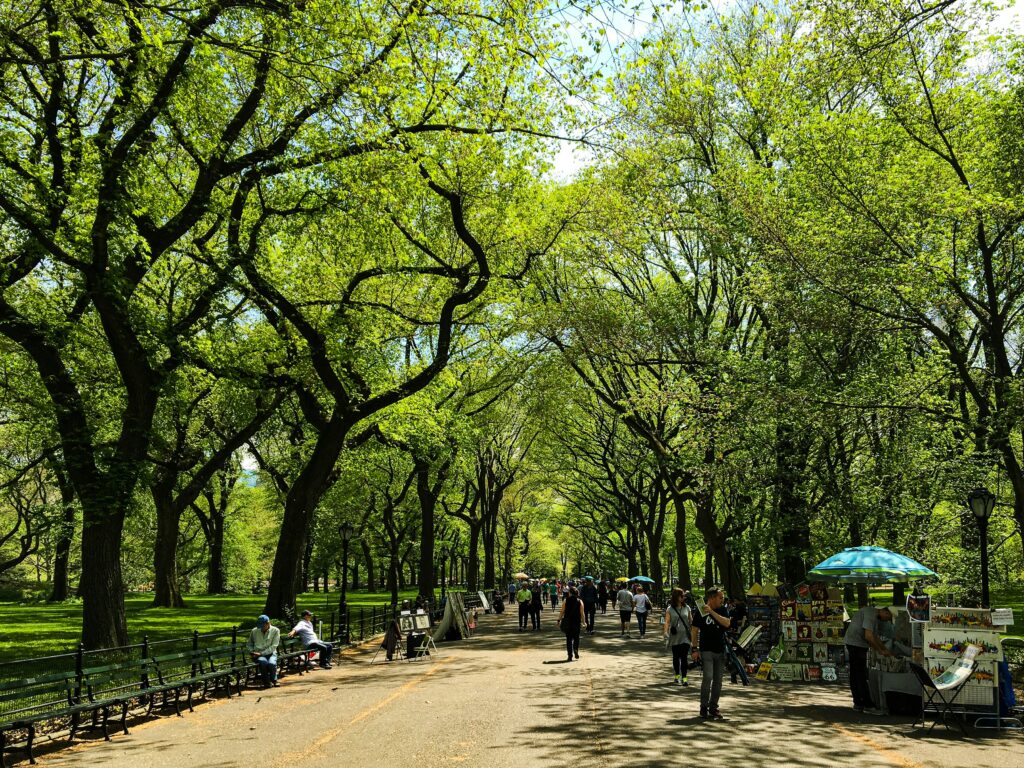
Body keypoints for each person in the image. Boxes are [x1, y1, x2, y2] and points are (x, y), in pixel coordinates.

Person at [844, 605, 895, 714]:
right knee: (860, 674)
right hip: (856, 644)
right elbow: (869, 636)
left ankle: (858, 703)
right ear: (885, 612)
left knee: (855, 673)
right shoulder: (871, 614)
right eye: (888, 617)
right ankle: (867, 704)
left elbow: (874, 636)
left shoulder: (873, 616)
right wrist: (880, 651)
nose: (887, 620)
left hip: (854, 642)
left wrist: (884, 649)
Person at [690, 587, 731, 719]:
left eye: (723, 597)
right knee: (708, 677)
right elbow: (694, 630)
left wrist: (712, 612)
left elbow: (727, 623)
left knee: (718, 681)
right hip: (706, 649)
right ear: (712, 598)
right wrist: (694, 649)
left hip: (720, 649)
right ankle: (703, 706)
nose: (722, 600)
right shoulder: (700, 610)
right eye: (720, 597)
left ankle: (713, 707)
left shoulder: (722, 609)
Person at [663, 587, 692, 686]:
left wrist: (694, 632)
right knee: (676, 657)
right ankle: (677, 675)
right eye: (681, 596)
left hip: (685, 636)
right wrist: (665, 632)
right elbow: (667, 621)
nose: (683, 597)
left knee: (684, 657)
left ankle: (684, 677)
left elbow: (690, 621)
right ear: (676, 597)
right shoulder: (670, 609)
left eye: (683, 596)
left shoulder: (687, 608)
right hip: (675, 636)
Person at [247, 614, 281, 688]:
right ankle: (266, 682)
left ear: (268, 623)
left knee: (272, 664)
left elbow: (274, 646)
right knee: (263, 662)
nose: (261, 628)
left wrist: (261, 653)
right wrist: (252, 651)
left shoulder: (275, 630)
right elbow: (249, 644)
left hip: (271, 653)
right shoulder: (254, 631)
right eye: (260, 626)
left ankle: (274, 680)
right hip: (258, 654)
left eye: (262, 626)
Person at [557, 585, 585, 661]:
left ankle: (570, 655)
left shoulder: (566, 600)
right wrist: (584, 622)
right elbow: (582, 613)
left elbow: (562, 611)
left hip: (568, 622)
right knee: (576, 637)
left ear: (570, 592)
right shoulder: (580, 601)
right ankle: (575, 649)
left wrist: (559, 620)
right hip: (576, 622)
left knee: (569, 639)